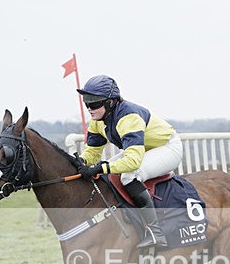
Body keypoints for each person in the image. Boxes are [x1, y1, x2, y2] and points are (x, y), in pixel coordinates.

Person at [75, 75, 183, 248]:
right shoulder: (96, 121)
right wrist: (81, 162)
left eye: (94, 104)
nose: (89, 108)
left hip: (167, 148)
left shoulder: (128, 117)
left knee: (128, 176)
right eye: (86, 103)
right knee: (108, 175)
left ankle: (157, 233)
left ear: (110, 102)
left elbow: (132, 162)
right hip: (143, 149)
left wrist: (99, 169)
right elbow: (93, 152)